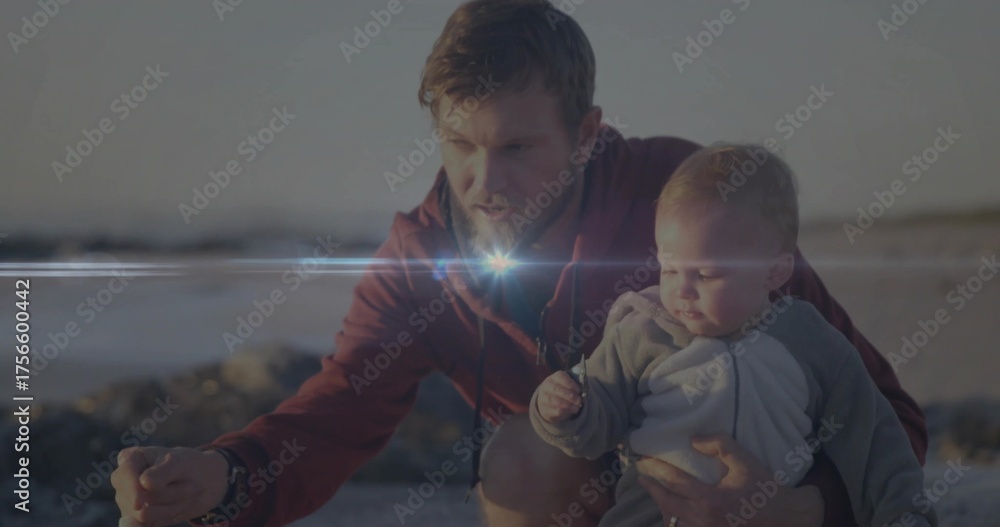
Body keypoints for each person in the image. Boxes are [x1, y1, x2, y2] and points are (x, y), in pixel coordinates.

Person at [111, 1, 928, 526]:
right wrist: (219, 476)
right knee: (521, 457)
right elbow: (339, 412)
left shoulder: (685, 198)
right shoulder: (423, 254)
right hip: (590, 497)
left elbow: (890, 414)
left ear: (587, 133)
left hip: (762, 496)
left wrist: (794, 507)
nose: (484, 182)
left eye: (517, 147)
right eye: (460, 146)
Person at [530, 144, 937, 527]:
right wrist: (566, 408)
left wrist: (903, 515)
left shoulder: (809, 340)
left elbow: (872, 439)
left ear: (775, 272)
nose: (682, 290)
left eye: (707, 275)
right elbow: (595, 427)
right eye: (669, 269)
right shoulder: (643, 331)